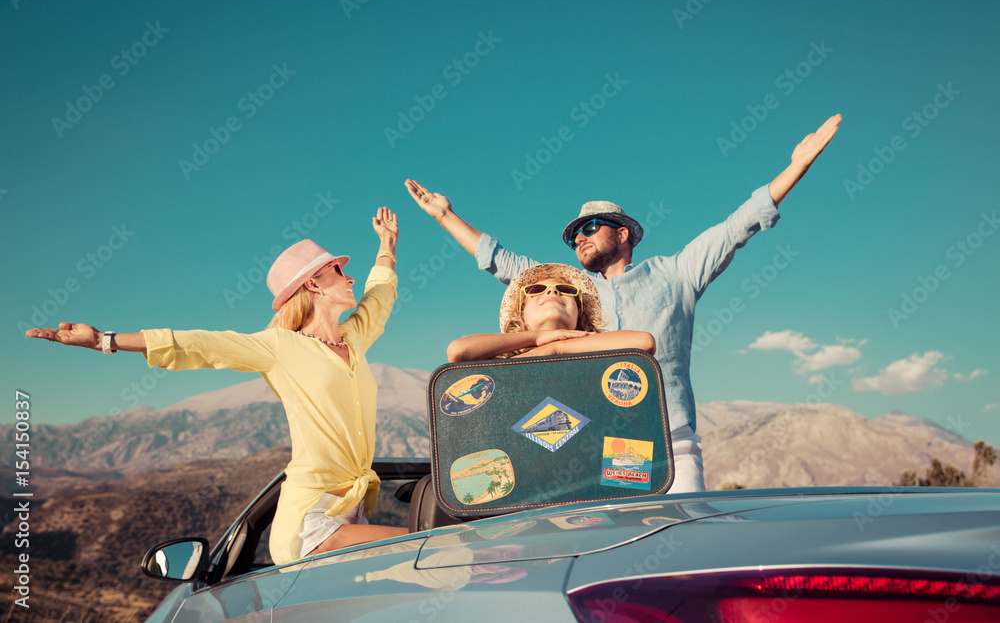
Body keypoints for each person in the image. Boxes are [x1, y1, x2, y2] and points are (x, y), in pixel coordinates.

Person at [406, 114, 842, 493]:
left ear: (623, 233)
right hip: (607, 446)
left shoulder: (677, 272)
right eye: (574, 233)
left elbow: (734, 228)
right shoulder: (572, 293)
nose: (579, 236)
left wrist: (796, 167)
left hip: (672, 437)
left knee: (682, 548)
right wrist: (445, 215)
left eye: (590, 227)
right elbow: (505, 262)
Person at [26, 207, 407, 565]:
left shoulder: (353, 339)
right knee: (424, 545)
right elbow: (200, 344)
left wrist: (387, 243)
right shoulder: (279, 348)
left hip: (354, 514)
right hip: (311, 525)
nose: (350, 277)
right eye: (339, 271)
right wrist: (103, 341)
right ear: (313, 283)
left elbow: (381, 293)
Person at [446, 262, 654, 361]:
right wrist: (538, 339)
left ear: (580, 314)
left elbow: (644, 342)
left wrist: (556, 349)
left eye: (566, 290)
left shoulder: (595, 347)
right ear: (521, 314)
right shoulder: (503, 358)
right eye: (536, 290)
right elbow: (457, 351)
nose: (553, 290)